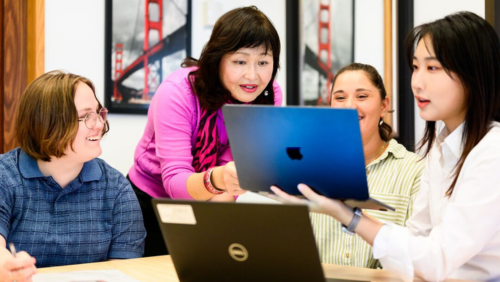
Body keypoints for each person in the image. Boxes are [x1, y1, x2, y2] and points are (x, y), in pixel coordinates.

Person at [272, 11, 500, 281]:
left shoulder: (491, 152)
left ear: (473, 74)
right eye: (415, 67)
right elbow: (414, 240)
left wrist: (350, 217)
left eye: (432, 67)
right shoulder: (439, 150)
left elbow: (436, 259)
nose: (417, 82)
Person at [127, 6, 282, 256]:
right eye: (240, 61)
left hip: (209, 201)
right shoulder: (177, 92)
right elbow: (176, 182)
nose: (252, 75)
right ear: (216, 59)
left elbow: (230, 170)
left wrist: (210, 224)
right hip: (149, 202)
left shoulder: (268, 95)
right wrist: (221, 179)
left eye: (263, 62)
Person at [0, 71, 146, 282]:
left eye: (98, 113)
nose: (99, 124)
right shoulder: (5, 175)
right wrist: (8, 267)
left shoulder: (117, 189)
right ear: (47, 123)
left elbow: (125, 271)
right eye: (87, 116)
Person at [310, 63, 424, 268]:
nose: (349, 106)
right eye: (340, 97)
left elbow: (417, 255)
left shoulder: (416, 171)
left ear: (383, 106)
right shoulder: (309, 167)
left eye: (362, 96)